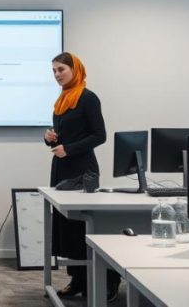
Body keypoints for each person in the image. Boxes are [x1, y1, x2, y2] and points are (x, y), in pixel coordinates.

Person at [45, 52, 121, 301]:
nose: (57, 75)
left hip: (82, 171)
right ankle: (78, 280)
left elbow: (100, 135)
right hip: (62, 169)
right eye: (54, 71)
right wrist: (51, 139)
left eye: (61, 70)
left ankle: (108, 281)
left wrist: (69, 148)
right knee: (67, 229)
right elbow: (64, 135)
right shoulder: (62, 100)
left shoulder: (88, 98)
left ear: (75, 69)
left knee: (84, 229)